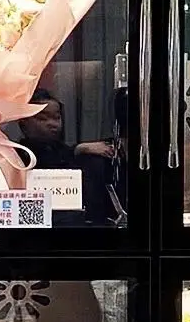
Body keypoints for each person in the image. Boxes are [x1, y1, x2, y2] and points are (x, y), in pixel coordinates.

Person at [15, 90, 117, 224]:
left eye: (57, 117)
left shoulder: (62, 149)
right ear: (23, 123)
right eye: (42, 118)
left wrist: (80, 149)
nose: (52, 123)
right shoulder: (18, 154)